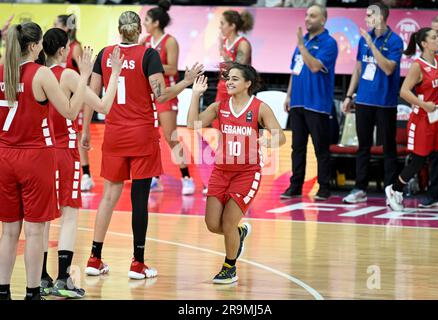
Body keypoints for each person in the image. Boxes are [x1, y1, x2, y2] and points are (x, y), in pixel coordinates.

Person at [82, 11, 203, 279]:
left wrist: (85, 129)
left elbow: (90, 94)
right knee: (139, 199)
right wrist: (186, 80)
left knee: (108, 197)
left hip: (114, 134)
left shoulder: (105, 54)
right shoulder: (148, 55)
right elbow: (161, 95)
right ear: (139, 30)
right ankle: (137, 263)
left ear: (119, 30)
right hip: (141, 135)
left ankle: (94, 259)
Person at [0, 22, 93, 300]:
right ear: (32, 46)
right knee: (35, 230)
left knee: (8, 232)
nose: (43, 46)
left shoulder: (3, 70)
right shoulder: (41, 74)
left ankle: (3, 292)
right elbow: (69, 111)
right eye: (40, 42)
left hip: (4, 155)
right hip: (34, 156)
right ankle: (32, 293)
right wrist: (85, 75)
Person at [39, 28, 123, 298]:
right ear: (64, 50)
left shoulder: (35, 74)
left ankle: (40, 277)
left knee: (40, 220)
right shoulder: (68, 75)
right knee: (69, 215)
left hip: (40, 151)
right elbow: (103, 106)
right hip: (63, 151)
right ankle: (63, 278)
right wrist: (116, 74)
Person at [187, 63, 286, 284]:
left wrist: (268, 141)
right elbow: (192, 124)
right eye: (228, 78)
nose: (229, 82)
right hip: (221, 171)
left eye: (235, 79)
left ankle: (229, 267)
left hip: (247, 173)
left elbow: (281, 137)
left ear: (247, 83)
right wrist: (195, 95)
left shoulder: (260, 108)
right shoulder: (220, 106)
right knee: (213, 224)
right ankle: (239, 235)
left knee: (229, 222)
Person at [342, 2, 403, 204]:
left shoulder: (395, 41)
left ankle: (391, 190)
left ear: (382, 17)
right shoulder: (363, 39)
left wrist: (372, 43)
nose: (367, 18)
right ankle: (360, 188)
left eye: (370, 15)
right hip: (364, 100)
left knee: (388, 148)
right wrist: (349, 96)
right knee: (363, 146)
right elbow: (358, 69)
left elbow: (388, 69)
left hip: (385, 102)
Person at [385, 27, 438, 214]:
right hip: (423, 119)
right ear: (424, 43)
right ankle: (394, 189)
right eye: (434, 37)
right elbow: (404, 91)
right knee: (418, 162)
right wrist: (423, 104)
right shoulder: (417, 66)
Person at [281, 4, 338, 200]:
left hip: (317, 104)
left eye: (312, 16)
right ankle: (295, 186)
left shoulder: (329, 43)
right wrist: (288, 95)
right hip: (298, 102)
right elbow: (294, 70)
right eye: (306, 15)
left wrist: (302, 47)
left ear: (322, 20)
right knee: (297, 147)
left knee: (320, 148)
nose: (307, 19)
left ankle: (324, 187)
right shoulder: (302, 41)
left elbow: (314, 66)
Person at [141, 0, 196, 195]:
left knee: (170, 136)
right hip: (147, 95)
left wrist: (150, 64)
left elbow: (173, 68)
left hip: (167, 94)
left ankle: (187, 178)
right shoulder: (144, 41)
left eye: (147, 20)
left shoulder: (170, 41)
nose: (144, 23)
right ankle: (154, 178)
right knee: (150, 138)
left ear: (156, 22)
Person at [54, 14, 94, 192]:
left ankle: (86, 174)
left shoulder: (75, 48)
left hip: (73, 100)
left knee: (77, 136)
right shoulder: (55, 49)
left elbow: (84, 77)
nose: (53, 26)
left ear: (66, 28)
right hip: (58, 100)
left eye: (57, 24)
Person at [420, 15, 438, 208]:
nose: (436, 36)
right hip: (437, 109)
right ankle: (434, 194)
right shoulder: (430, 54)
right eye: (433, 32)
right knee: (436, 153)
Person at [216, 9, 253, 103]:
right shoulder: (225, 42)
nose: (220, 27)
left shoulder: (243, 43)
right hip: (222, 89)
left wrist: (221, 49)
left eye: (222, 23)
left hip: (238, 91)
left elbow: (238, 68)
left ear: (232, 26)